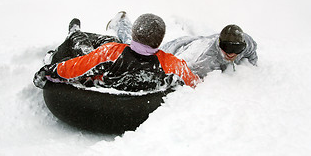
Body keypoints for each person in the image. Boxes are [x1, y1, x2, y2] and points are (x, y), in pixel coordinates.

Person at [33, 13, 200, 92]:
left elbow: (74, 68)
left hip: (101, 73)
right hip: (124, 54)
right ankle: (81, 35)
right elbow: (194, 82)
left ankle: (73, 34)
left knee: (80, 42)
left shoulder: (111, 53)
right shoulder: (171, 64)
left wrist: (48, 70)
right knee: (115, 42)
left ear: (134, 33)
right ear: (160, 39)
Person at [160, 24, 258, 78]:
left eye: (237, 49)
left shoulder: (248, 43)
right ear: (220, 45)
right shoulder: (207, 61)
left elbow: (252, 54)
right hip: (199, 45)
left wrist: (252, 66)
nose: (231, 53)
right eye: (226, 48)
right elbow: (188, 77)